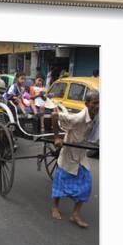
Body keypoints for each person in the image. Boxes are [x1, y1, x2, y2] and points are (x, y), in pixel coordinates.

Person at [50, 90, 99, 228]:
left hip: (81, 154)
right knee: (60, 182)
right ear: (87, 104)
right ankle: (54, 206)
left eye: (99, 103)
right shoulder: (77, 118)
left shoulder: (98, 116)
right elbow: (54, 115)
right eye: (94, 103)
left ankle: (75, 214)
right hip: (69, 153)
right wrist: (56, 137)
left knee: (87, 184)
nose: (97, 106)